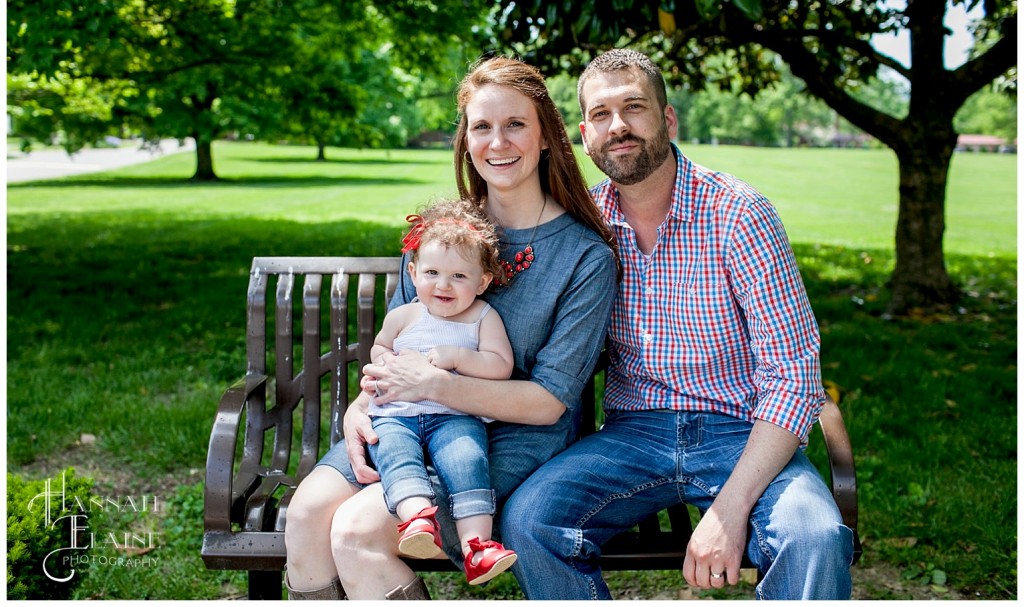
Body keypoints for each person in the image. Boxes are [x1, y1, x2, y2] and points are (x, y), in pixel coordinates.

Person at [500, 48, 855, 600]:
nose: (618, 127)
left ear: (667, 119)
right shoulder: (587, 227)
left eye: (634, 107)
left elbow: (793, 377)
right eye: (600, 114)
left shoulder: (739, 214)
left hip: (741, 429)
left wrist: (729, 511)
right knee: (529, 521)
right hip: (631, 433)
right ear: (584, 135)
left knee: (813, 535)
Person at [282, 56, 618, 600]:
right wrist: (362, 406)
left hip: (513, 435)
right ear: (465, 139)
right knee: (306, 513)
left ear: (547, 136)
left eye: (515, 124)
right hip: (406, 417)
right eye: (481, 126)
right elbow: (398, 344)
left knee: (358, 532)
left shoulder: (584, 257)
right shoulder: (441, 235)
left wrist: (437, 385)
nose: (497, 142)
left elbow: (551, 402)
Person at [367, 198, 517, 585]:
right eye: (432, 272)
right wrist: (382, 368)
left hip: (454, 415)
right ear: (413, 274)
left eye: (458, 277)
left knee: (467, 462)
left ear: (482, 281)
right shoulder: (404, 315)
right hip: (396, 414)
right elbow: (380, 347)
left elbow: (500, 365)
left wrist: (458, 357)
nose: (443, 285)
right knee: (395, 455)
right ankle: (416, 519)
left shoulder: (483, 316)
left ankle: (478, 548)